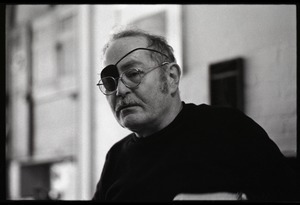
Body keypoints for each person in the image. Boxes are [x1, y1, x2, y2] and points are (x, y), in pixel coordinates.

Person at [92, 28, 300, 202]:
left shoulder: (229, 130)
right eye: (110, 82)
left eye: (134, 73)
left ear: (171, 76)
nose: (119, 90)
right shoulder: (116, 157)